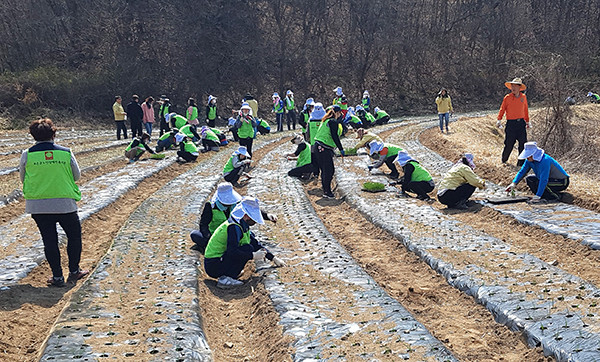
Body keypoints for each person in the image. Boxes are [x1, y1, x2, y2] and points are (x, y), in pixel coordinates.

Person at [19, 118, 88, 287]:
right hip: (64, 203)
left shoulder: (27, 154)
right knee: (74, 237)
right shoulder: (65, 152)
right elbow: (77, 176)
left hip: (39, 205)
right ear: (54, 133)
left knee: (49, 240)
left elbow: (22, 178)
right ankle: (74, 271)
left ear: (33, 135)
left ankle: (57, 277)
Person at [204, 196, 285, 288]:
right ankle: (225, 279)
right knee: (247, 249)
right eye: (253, 218)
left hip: (220, 261)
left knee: (249, 247)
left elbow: (255, 244)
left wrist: (273, 258)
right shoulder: (233, 227)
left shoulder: (241, 224)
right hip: (214, 265)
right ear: (246, 215)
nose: (255, 222)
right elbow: (232, 252)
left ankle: (231, 273)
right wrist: (252, 256)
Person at [190, 182, 278, 253]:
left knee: (250, 237)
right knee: (195, 235)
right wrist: (210, 238)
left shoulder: (236, 203)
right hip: (216, 235)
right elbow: (203, 225)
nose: (229, 204)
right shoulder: (210, 206)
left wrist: (267, 216)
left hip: (233, 233)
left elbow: (250, 209)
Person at [505, 141, 569, 203]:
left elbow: (544, 180)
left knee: (541, 183)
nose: (527, 157)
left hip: (561, 181)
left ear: (534, 154)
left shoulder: (544, 160)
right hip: (548, 180)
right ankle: (543, 196)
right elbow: (522, 172)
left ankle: (555, 197)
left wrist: (538, 196)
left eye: (528, 155)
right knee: (529, 179)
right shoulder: (529, 160)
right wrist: (514, 183)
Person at [313, 105, 345, 198]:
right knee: (329, 170)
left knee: (325, 170)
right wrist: (341, 148)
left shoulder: (325, 120)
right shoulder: (333, 122)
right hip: (323, 148)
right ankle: (327, 192)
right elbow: (335, 136)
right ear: (337, 113)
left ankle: (326, 190)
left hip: (318, 147)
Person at [497, 78, 529, 166]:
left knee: (523, 143)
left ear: (519, 88)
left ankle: (520, 164)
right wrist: (499, 119)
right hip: (511, 124)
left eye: (515, 86)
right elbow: (502, 109)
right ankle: (504, 160)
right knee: (509, 143)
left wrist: (527, 121)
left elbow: (525, 109)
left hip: (521, 123)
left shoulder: (523, 97)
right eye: (512, 86)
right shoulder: (507, 98)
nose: (513, 88)